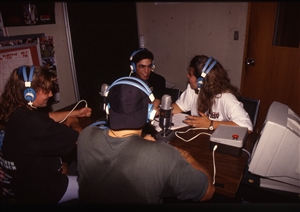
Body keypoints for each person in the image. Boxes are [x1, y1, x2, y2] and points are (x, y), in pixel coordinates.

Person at [77, 76, 215, 204]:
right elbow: (208, 192)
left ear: (107, 109)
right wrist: (187, 156)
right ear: (150, 113)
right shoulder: (162, 156)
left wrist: (142, 143)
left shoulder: (86, 136)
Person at [0, 65, 92, 204]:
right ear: (29, 93)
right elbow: (82, 139)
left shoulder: (12, 111)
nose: (50, 94)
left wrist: (76, 113)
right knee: (95, 188)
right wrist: (73, 122)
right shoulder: (36, 124)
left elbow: (48, 116)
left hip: (17, 187)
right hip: (42, 192)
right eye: (47, 90)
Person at [172, 55, 253, 133]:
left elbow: (247, 126)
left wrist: (210, 124)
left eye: (190, 74)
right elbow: (179, 107)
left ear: (201, 81)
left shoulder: (226, 97)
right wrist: (160, 107)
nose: (187, 76)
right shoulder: (193, 89)